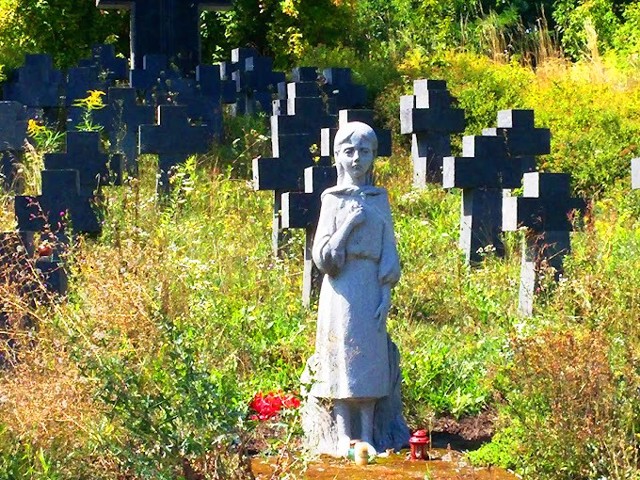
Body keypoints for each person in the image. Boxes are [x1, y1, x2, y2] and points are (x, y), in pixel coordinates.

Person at [311, 121, 401, 455]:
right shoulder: (332, 200)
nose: (356, 159)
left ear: (373, 156)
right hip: (342, 288)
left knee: (371, 360)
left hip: (371, 288)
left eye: (364, 151)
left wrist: (387, 291)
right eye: (349, 151)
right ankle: (341, 435)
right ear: (338, 156)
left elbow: (389, 248)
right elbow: (323, 257)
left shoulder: (380, 198)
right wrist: (349, 224)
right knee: (341, 358)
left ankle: (368, 434)